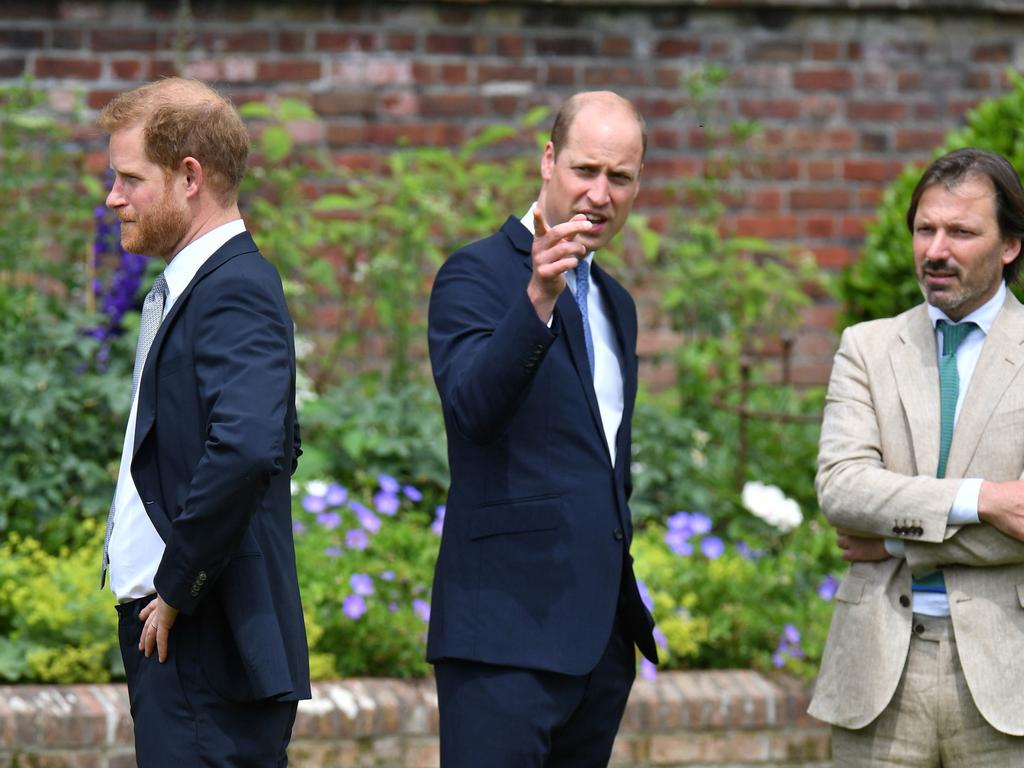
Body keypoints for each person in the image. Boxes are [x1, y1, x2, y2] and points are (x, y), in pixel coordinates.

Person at [426, 90, 659, 766]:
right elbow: (471, 409)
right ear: (548, 161)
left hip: (597, 649)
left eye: (621, 177)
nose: (600, 193)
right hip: (500, 643)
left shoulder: (615, 302)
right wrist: (537, 300)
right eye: (586, 170)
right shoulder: (474, 275)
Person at [98, 77, 309, 766]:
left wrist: (176, 583)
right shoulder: (209, 287)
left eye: (130, 178)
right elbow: (273, 442)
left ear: (189, 176)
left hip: (203, 641)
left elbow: (248, 449)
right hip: (190, 642)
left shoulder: (235, 289)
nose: (113, 198)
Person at [812, 147, 1024, 765]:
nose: (936, 250)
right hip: (876, 678)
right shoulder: (867, 348)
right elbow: (843, 489)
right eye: (925, 229)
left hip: (1007, 676)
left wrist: (896, 542)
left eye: (961, 232)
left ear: (1009, 245)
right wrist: (984, 500)